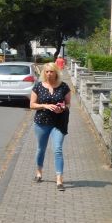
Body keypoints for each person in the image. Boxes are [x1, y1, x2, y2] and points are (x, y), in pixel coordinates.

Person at [29, 62, 71, 191]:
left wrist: (62, 108)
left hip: (59, 123)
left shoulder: (64, 87)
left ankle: (59, 179)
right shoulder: (38, 86)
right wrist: (45, 106)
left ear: (56, 72)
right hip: (42, 122)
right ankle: (39, 172)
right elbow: (32, 105)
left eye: (51, 71)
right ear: (44, 73)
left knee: (57, 149)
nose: (49, 74)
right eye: (46, 71)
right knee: (41, 149)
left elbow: (68, 104)